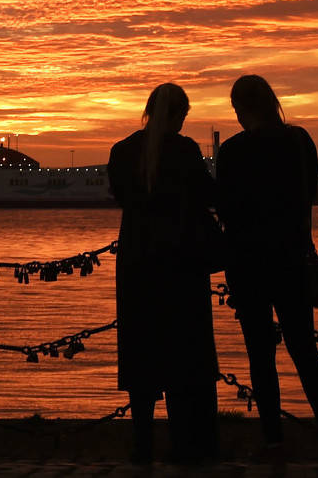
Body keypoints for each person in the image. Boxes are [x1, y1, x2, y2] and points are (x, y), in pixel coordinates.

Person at [214, 73, 318, 458]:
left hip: (248, 262)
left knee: (260, 354)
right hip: (291, 256)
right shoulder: (299, 141)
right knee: (304, 348)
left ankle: (272, 436)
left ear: (240, 109)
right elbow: (309, 194)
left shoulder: (234, 151)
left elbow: (227, 208)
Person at [107, 82, 220, 463]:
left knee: (142, 353)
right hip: (181, 263)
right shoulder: (186, 151)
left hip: (137, 261)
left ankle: (142, 444)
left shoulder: (122, 152)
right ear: (178, 116)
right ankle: (184, 444)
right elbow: (209, 196)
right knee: (182, 356)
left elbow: (121, 197)